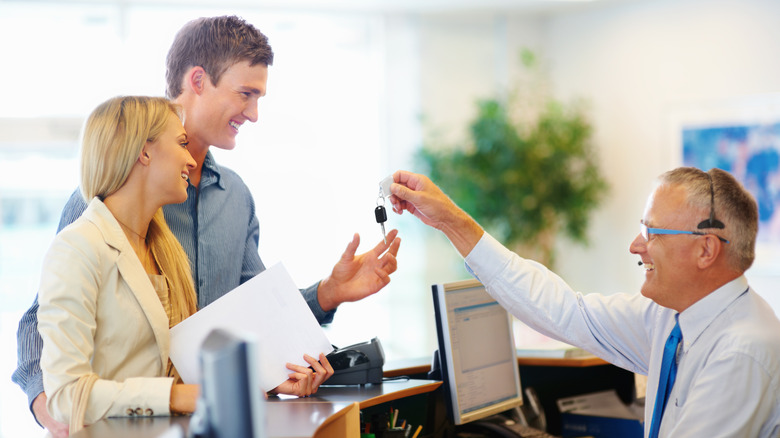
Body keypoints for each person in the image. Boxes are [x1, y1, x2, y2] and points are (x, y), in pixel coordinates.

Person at [14, 15, 400, 437]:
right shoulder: (107, 200)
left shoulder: (235, 196)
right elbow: (43, 323)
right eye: (245, 94)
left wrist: (328, 293)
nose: (253, 114)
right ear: (198, 80)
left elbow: (256, 315)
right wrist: (50, 406)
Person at [389, 167, 780, 437]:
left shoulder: (741, 351)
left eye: (653, 232)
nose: (636, 246)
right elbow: (565, 311)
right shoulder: (673, 320)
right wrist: (450, 221)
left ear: (706, 249)